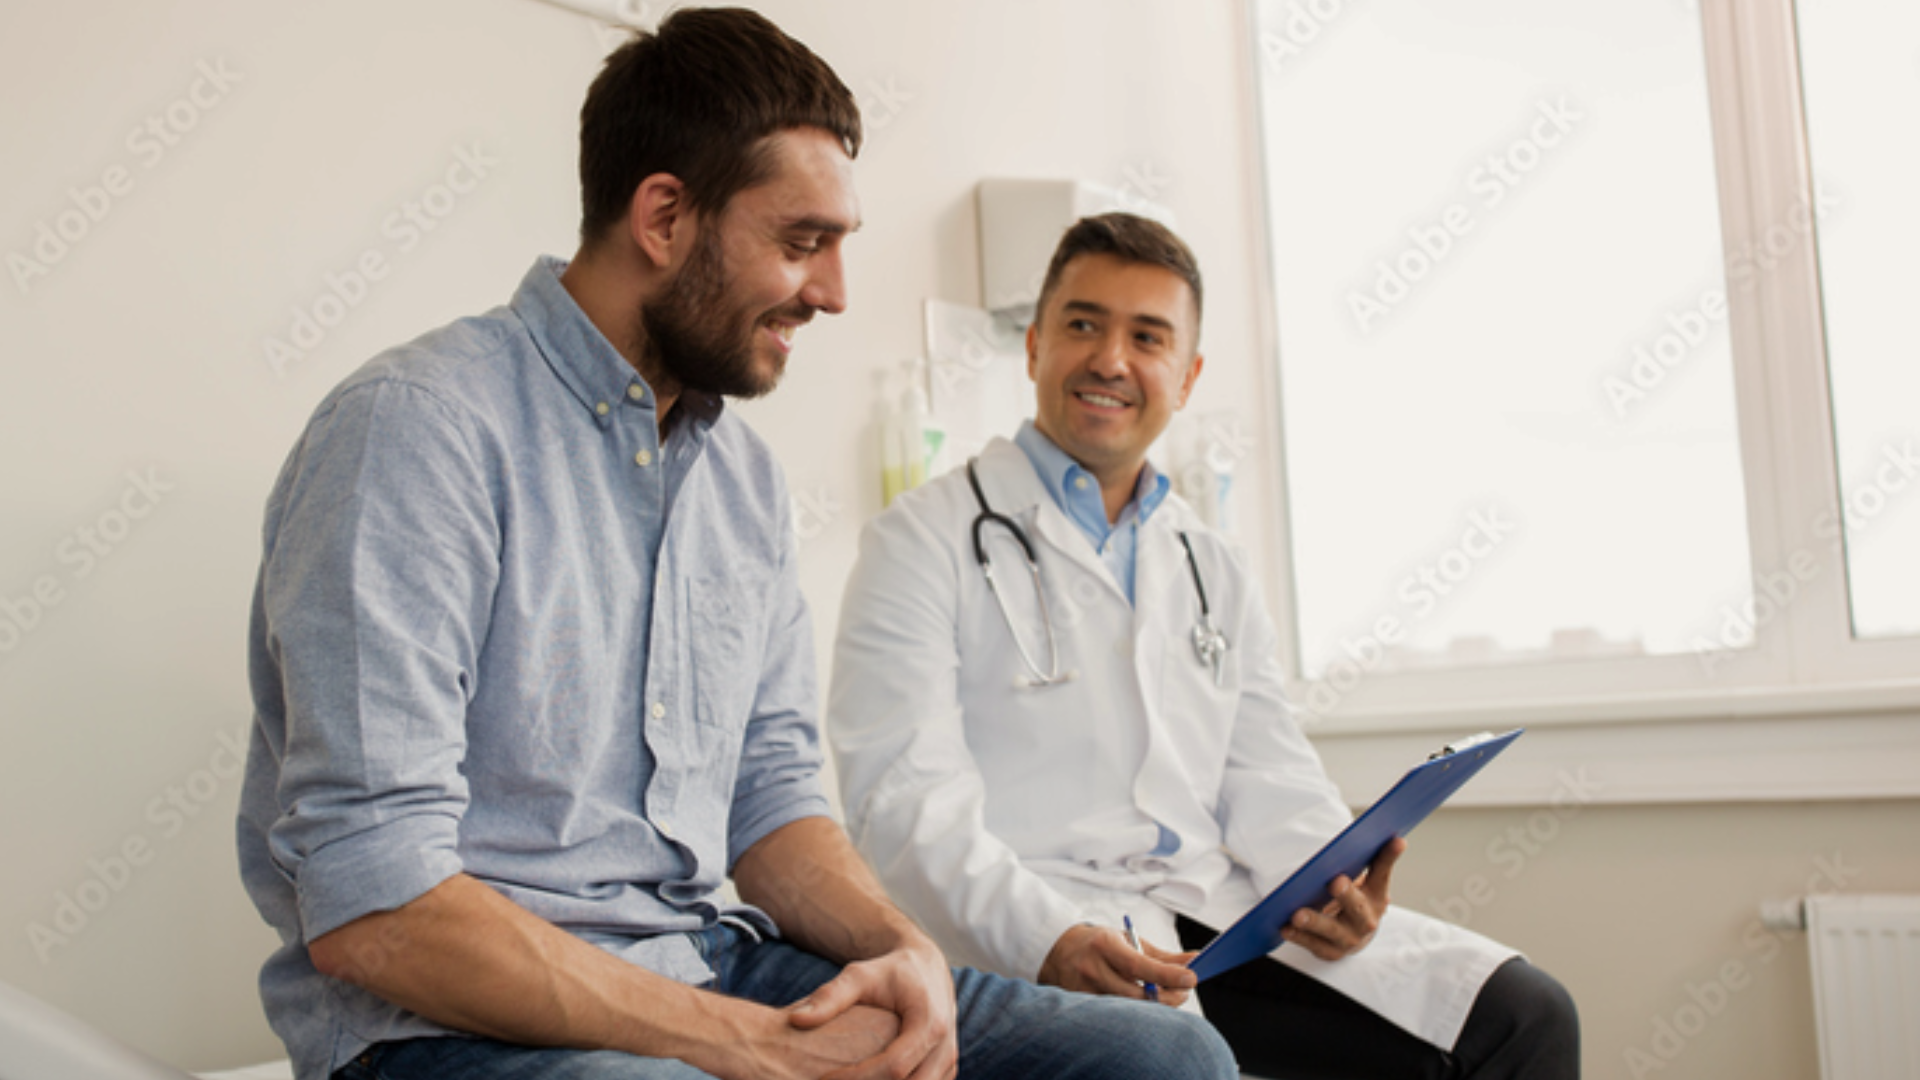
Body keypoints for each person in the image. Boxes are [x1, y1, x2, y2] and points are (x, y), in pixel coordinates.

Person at [236, 14, 1237, 1080]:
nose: (835, 292)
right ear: (664, 216)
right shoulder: (417, 430)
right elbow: (371, 899)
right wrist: (755, 1049)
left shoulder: (742, 485)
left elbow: (770, 801)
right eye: (803, 243)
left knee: (1165, 1063)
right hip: (447, 1030)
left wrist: (902, 954)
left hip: (707, 960)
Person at [828, 212, 1581, 1079]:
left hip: (1215, 921)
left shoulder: (1209, 559)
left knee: (1525, 1018)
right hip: (1033, 931)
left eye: (1146, 337)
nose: (1111, 359)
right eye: (1082, 324)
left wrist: (1335, 885)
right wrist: (1049, 937)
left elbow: (1268, 772)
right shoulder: (919, 541)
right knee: (1171, 1061)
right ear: (1033, 346)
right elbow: (904, 808)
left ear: (1185, 378)